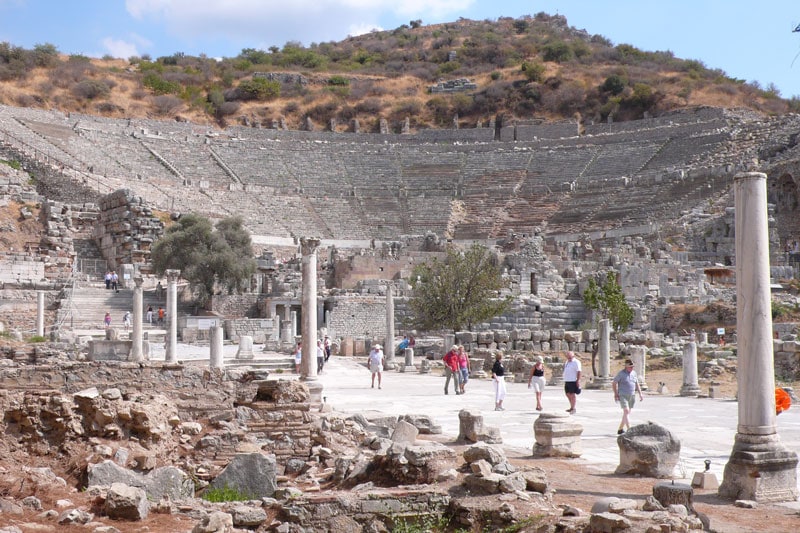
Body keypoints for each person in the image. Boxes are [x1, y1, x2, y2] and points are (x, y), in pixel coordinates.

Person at [612, 359, 644, 434]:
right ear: (626, 367)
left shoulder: (634, 373)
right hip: (623, 394)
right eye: (630, 367)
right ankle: (630, 430)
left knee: (627, 413)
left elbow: (637, 384)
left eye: (632, 367)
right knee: (626, 411)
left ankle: (620, 429)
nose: (632, 368)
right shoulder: (621, 374)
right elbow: (614, 383)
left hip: (632, 395)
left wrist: (640, 394)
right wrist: (616, 393)